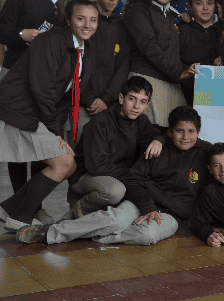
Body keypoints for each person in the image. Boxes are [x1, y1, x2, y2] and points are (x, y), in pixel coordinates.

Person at [16, 106, 212, 246]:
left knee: (147, 236)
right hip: (142, 202)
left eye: (191, 131)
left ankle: (84, 233)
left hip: (172, 214)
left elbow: (222, 176)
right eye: (179, 131)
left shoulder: (206, 153)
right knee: (115, 220)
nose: (185, 137)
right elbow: (133, 180)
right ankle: (49, 233)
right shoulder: (156, 150)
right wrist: (147, 206)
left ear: (198, 132)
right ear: (170, 132)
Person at [0, 0, 97, 231]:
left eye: (93, 20)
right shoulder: (51, 40)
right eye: (81, 18)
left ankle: (9, 208)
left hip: (35, 112)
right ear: (69, 20)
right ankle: (20, 217)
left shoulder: (84, 49)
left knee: (68, 164)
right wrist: (55, 131)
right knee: (64, 163)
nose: (87, 25)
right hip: (17, 109)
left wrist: (57, 130)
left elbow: (67, 93)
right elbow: (42, 88)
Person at [0, 0, 78, 223]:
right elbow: (0, 30)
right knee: (18, 144)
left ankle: (33, 205)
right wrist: (22, 33)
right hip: (18, 76)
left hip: (49, 80)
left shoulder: (69, 0)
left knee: (41, 146)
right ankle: (22, 205)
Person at [66, 77, 163, 219]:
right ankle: (81, 206)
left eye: (142, 102)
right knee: (115, 191)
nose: (136, 106)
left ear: (147, 105)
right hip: (85, 175)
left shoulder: (141, 121)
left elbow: (154, 136)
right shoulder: (100, 122)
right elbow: (97, 166)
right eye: (132, 99)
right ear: (121, 98)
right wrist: (132, 175)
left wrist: (158, 140)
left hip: (117, 174)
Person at [122, 0, 198, 127]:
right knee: (149, 134)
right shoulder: (139, 9)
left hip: (171, 81)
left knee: (174, 133)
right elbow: (148, 47)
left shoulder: (170, 15)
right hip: (147, 79)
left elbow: (172, 52)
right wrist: (178, 73)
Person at [73, 0, 131, 146]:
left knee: (104, 150)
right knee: (77, 149)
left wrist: (107, 98)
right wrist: (88, 98)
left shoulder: (122, 27)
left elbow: (123, 65)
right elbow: (74, 61)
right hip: (81, 101)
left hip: (109, 103)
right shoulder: (83, 22)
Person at [178, 0, 223, 106]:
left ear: (215, 5)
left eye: (210, 3)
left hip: (221, 94)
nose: (205, 8)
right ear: (190, 6)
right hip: (187, 94)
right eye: (199, 3)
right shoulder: (182, 30)